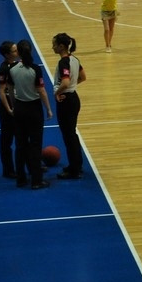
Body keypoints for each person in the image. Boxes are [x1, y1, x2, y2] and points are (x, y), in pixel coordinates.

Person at [9, 40, 52, 189]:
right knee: (35, 145)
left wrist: (15, 107)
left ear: (18, 53)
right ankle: (36, 180)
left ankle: (20, 179)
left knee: (20, 145)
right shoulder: (35, 69)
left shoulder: (13, 69)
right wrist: (48, 108)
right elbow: (41, 91)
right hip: (34, 109)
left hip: (20, 108)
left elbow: (10, 89)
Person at [70, 0, 142, 53]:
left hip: (113, 11)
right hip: (105, 11)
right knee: (107, 29)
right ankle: (107, 45)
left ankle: (109, 43)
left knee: (111, 29)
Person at [52, 32, 87, 180]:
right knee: (71, 134)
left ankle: (74, 170)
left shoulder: (64, 62)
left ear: (61, 46)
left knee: (68, 136)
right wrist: (71, 87)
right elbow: (83, 77)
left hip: (66, 101)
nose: (52, 47)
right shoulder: (75, 59)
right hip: (74, 98)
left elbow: (65, 82)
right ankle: (77, 165)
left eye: (54, 44)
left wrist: (58, 92)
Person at [0, 40, 19, 179]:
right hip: (7, 108)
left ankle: (31, 164)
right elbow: (1, 91)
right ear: (6, 55)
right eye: (14, 51)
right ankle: (8, 170)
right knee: (7, 140)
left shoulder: (18, 65)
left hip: (18, 104)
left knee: (24, 137)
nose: (17, 52)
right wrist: (9, 109)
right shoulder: (3, 69)